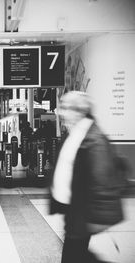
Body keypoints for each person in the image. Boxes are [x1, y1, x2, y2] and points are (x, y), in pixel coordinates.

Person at [50, 91, 124, 263]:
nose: (61, 112)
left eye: (66, 108)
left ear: (79, 111)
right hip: (73, 208)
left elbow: (103, 179)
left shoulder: (95, 139)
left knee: (72, 254)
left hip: (84, 210)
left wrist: (99, 217)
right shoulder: (76, 133)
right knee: (77, 252)